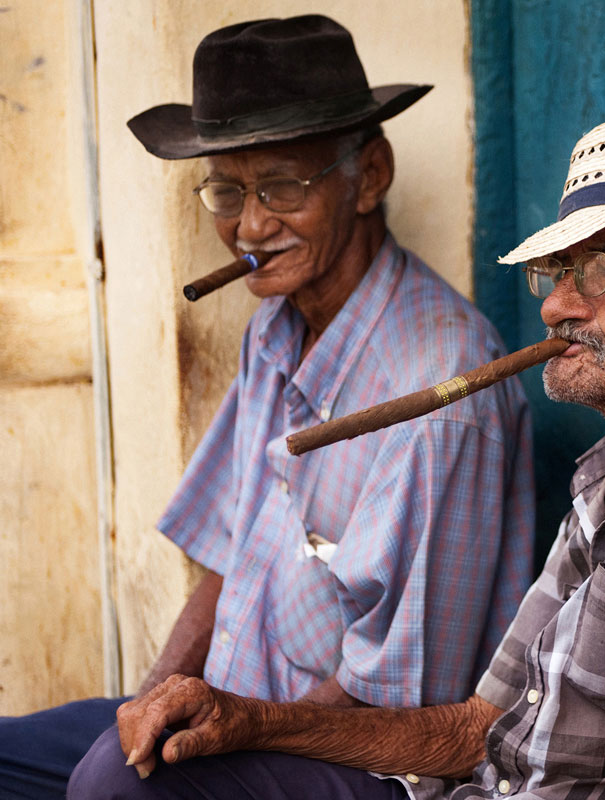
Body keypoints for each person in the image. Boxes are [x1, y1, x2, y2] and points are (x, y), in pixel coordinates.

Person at [68, 119, 605, 800]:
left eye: (602, 269)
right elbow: (478, 728)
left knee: (117, 781)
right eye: (558, 270)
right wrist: (247, 720)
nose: (556, 306)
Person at [0, 15, 536, 799]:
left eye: (282, 186)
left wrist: (230, 729)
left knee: (109, 788)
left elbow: (403, 700)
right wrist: (150, 706)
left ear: (371, 175)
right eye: (227, 190)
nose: (249, 227)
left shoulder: (440, 393)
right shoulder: (276, 332)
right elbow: (231, 553)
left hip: (370, 762)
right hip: (241, 715)